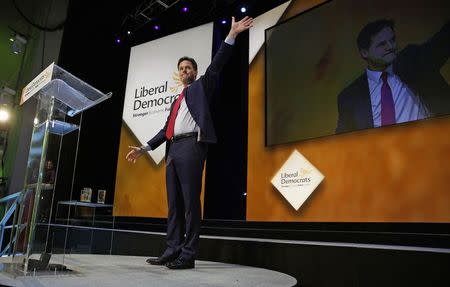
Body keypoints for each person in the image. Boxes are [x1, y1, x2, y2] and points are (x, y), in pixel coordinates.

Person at [126, 16, 253, 269]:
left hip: (192, 147)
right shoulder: (176, 100)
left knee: (190, 204)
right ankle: (172, 249)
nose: (185, 71)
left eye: (188, 68)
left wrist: (232, 35)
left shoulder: (202, 87)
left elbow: (217, 64)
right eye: (181, 69)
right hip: (173, 149)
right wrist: (143, 148)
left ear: (194, 72)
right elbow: (166, 130)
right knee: (174, 205)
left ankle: (188, 253)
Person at [336, 19, 450, 134]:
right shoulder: (349, 97)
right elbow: (343, 141)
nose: (391, 46)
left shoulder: (413, 60)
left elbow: (442, 40)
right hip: (382, 151)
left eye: (392, 40)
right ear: (364, 53)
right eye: (382, 44)